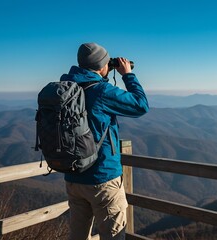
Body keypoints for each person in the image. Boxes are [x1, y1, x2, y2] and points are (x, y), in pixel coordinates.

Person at [60, 42, 149, 240]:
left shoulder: (67, 88)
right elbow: (141, 105)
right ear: (101, 64)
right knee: (114, 236)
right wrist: (127, 75)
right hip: (102, 178)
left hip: (73, 177)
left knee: (78, 236)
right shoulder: (101, 91)